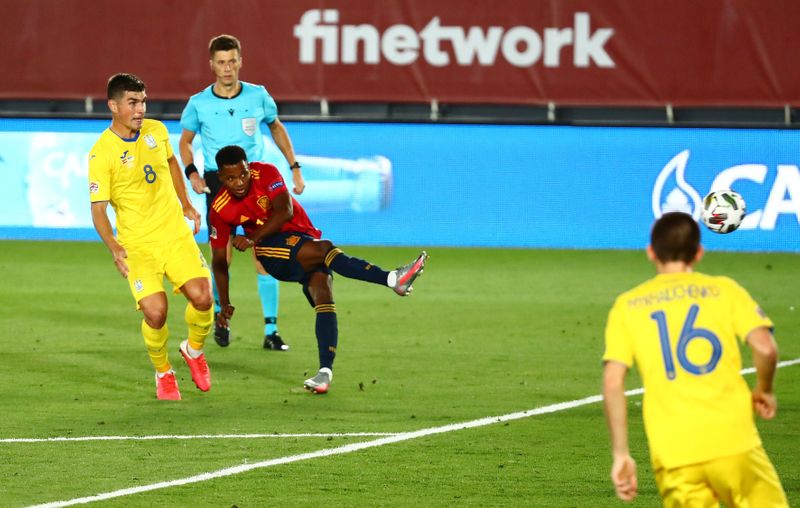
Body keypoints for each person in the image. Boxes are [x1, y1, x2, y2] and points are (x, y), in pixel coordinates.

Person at [602, 212, 788, 506]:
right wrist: (764, 389)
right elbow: (766, 348)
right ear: (699, 253)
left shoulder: (627, 306)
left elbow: (613, 382)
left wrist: (621, 454)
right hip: (735, 444)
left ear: (651, 252)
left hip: (675, 455)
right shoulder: (725, 291)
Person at [209, 145, 428, 394]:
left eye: (243, 174)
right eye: (230, 178)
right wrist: (223, 303)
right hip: (272, 251)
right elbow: (218, 261)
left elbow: (285, 211)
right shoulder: (220, 208)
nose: (239, 182)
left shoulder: (266, 173)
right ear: (220, 178)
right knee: (325, 250)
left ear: (249, 168)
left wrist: (250, 237)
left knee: (323, 294)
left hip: (301, 238)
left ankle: (324, 373)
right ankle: (392, 279)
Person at [89, 73, 214, 401]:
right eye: (133, 102)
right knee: (156, 312)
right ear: (113, 106)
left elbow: (171, 163)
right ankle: (163, 371)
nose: (141, 108)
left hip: (174, 234)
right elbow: (99, 209)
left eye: (143, 101)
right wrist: (115, 246)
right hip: (138, 245)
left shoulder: (156, 131)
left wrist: (186, 204)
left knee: (203, 297)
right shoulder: (101, 154)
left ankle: (193, 350)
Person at [179, 34, 305, 351]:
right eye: (221, 62)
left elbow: (276, 126)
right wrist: (191, 173)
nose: (227, 68)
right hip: (218, 182)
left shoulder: (258, 96)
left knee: (264, 250)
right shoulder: (199, 103)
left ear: (240, 61)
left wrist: (294, 166)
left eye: (232, 61)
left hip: (254, 182)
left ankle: (271, 330)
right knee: (222, 256)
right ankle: (222, 316)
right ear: (211, 65)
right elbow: (184, 142)